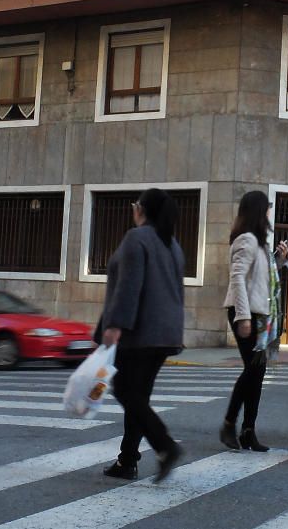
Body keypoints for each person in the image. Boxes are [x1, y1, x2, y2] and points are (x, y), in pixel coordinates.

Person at [97, 188, 184, 483]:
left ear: (141, 210)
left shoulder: (137, 238)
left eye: (135, 205)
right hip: (164, 333)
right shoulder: (172, 244)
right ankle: (128, 460)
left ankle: (165, 445)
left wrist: (113, 326)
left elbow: (128, 285)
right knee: (138, 397)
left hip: (139, 332)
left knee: (124, 390)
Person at [220, 190, 288, 452]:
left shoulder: (258, 243)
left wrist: (278, 261)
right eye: (267, 208)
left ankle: (248, 430)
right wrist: (243, 316)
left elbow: (260, 280)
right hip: (247, 314)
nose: (270, 213)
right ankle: (229, 423)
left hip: (260, 314)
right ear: (259, 211)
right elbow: (237, 278)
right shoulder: (246, 240)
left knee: (257, 372)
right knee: (251, 370)